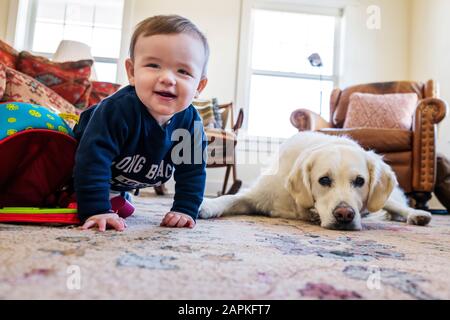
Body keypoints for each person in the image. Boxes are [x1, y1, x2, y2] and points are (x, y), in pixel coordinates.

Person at [73, 15, 209, 231]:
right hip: (75, 163)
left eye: (183, 71)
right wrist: (96, 208)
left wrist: (185, 208)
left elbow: (192, 171)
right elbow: (92, 160)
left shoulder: (190, 124)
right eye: (153, 65)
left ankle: (114, 194)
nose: (168, 78)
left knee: (122, 205)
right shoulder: (117, 110)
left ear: (199, 86)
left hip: (119, 180)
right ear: (131, 72)